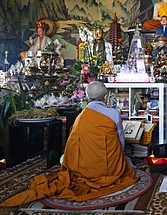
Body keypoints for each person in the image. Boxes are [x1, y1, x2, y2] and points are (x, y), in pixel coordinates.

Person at [0, 81, 139, 207]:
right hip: (109, 169)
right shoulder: (113, 114)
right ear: (106, 97)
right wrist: (120, 156)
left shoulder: (81, 117)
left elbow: (72, 146)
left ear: (87, 98)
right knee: (126, 163)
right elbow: (120, 142)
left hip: (82, 169)